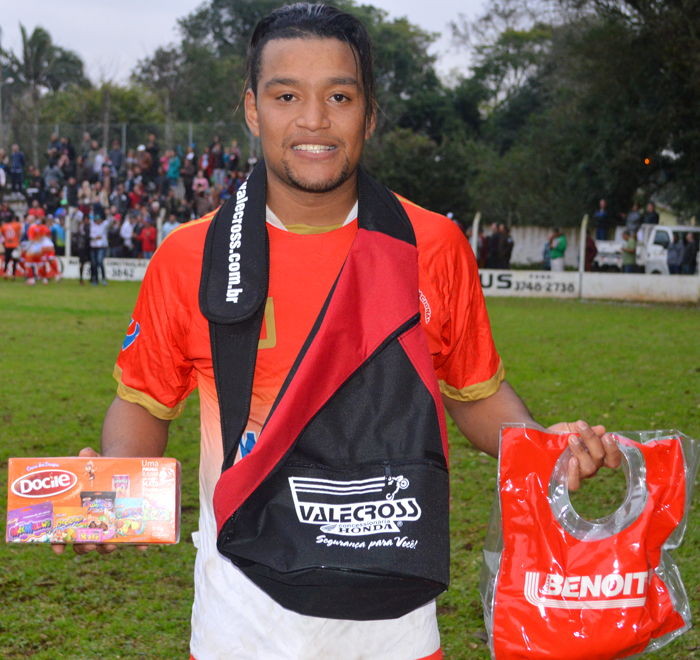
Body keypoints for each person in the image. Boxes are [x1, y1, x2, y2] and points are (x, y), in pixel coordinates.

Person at [53, 6, 620, 660]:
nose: (314, 119)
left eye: (340, 96)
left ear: (370, 112)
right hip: (240, 622)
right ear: (252, 108)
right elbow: (141, 400)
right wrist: (111, 489)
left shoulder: (432, 244)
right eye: (286, 95)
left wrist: (543, 447)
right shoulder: (190, 255)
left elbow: (473, 393)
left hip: (394, 624)